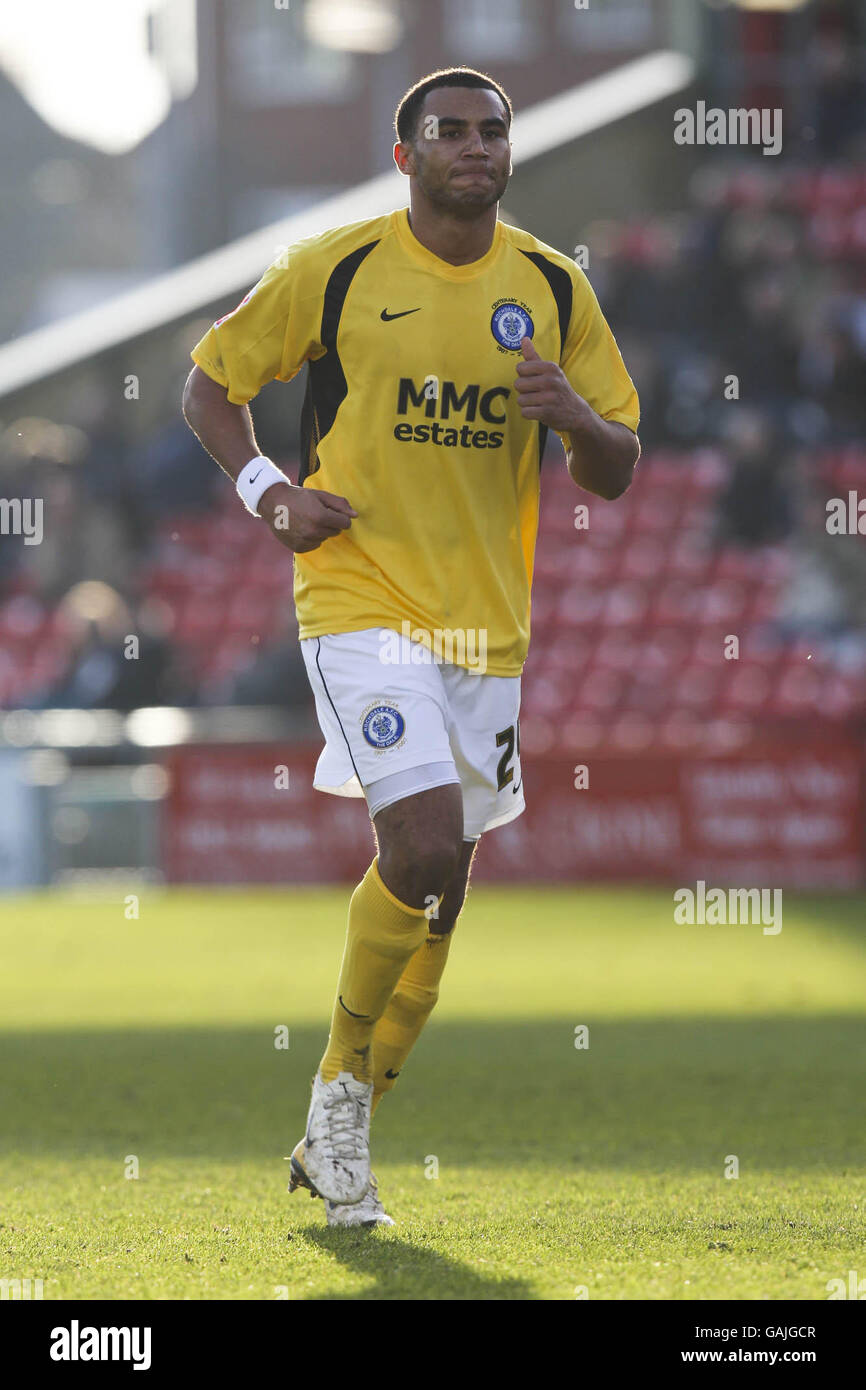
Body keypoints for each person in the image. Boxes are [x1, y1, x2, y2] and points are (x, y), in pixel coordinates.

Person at [182, 67, 640, 1229]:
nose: (475, 147)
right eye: (450, 131)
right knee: (423, 842)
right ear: (406, 156)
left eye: (492, 131)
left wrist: (572, 417)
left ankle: (342, 1131)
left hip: (486, 625)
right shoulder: (330, 268)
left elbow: (616, 462)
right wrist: (267, 492)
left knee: (440, 901)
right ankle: (337, 1089)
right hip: (357, 594)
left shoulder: (549, 286)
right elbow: (207, 385)